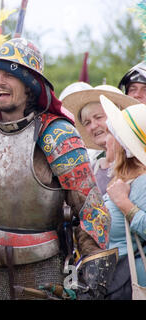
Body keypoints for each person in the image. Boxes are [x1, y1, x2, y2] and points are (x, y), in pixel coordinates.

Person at [0, 37, 117, 300]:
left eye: (10, 74)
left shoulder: (58, 135)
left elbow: (92, 212)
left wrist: (90, 287)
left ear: (30, 85)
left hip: (43, 277)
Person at [99, 95, 146, 299]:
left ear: (123, 145)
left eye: (111, 133)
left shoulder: (142, 181)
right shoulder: (126, 179)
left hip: (131, 284)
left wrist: (125, 205)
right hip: (117, 281)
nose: (106, 139)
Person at [62, 84, 138, 195]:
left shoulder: (138, 163)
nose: (93, 126)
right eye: (87, 122)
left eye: (98, 117)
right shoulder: (92, 169)